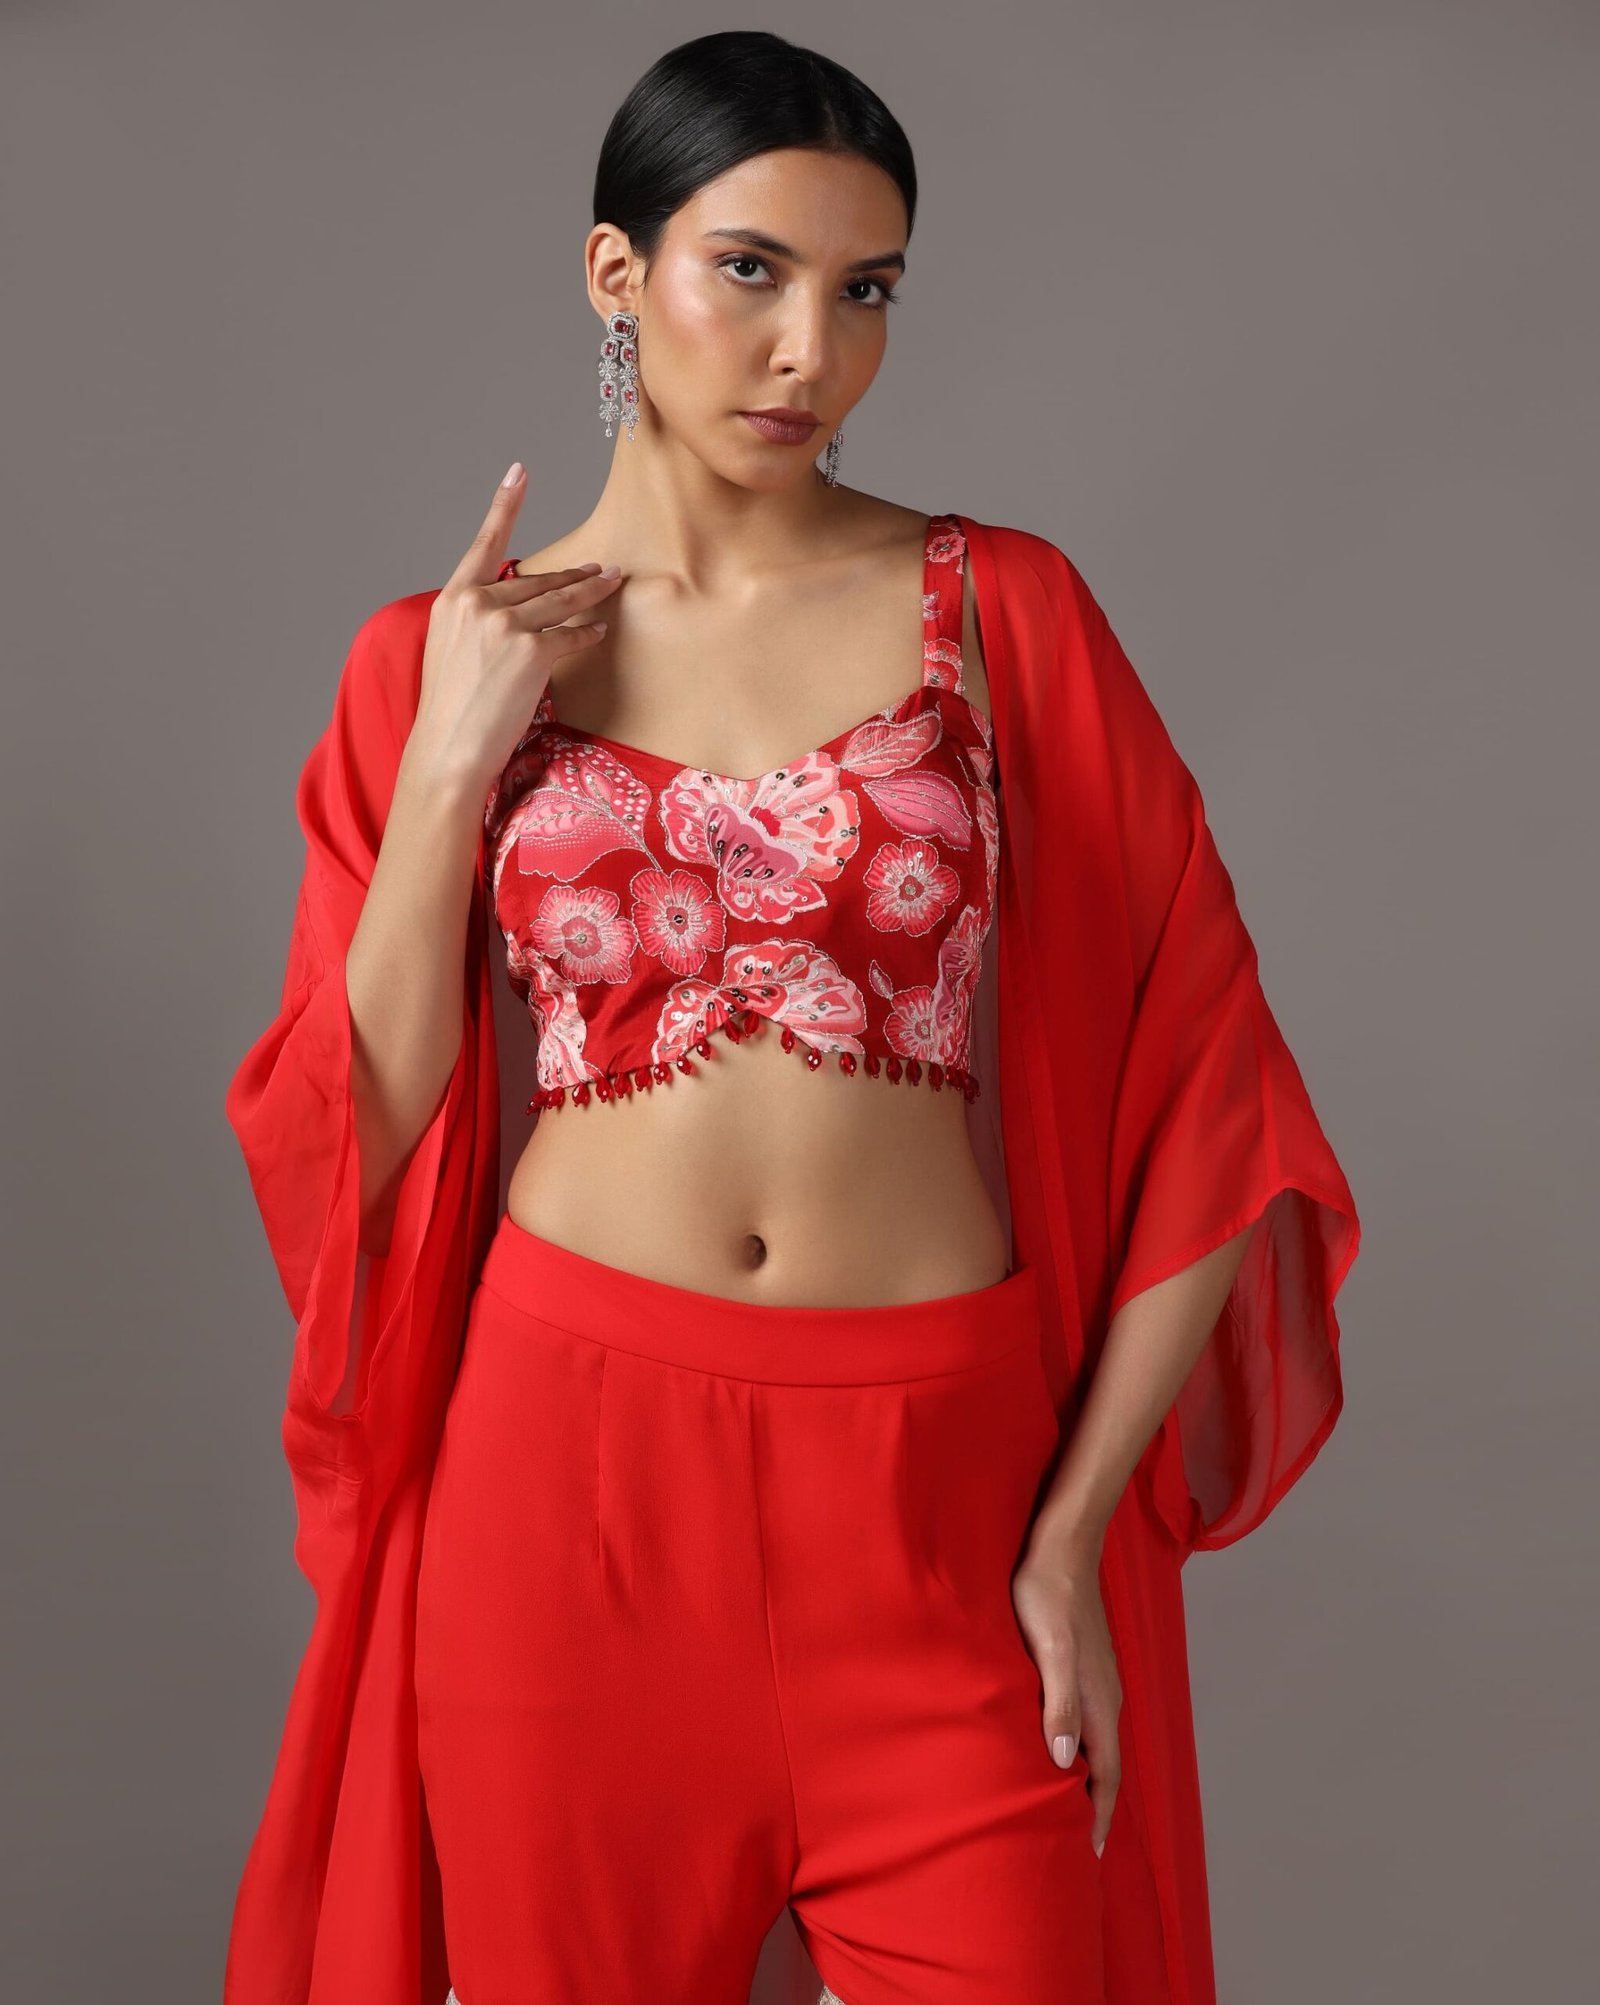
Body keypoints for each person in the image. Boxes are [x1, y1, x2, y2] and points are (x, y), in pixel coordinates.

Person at [221, 29, 1361, 2005]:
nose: (806, 351)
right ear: (615, 272)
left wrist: (1068, 1535)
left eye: (864, 291)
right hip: (568, 1497)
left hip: (937, 1494)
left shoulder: (1002, 611)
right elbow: (358, 1122)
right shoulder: (438, 659)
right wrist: (447, 769)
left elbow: (1212, 1085)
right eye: (746, 270)